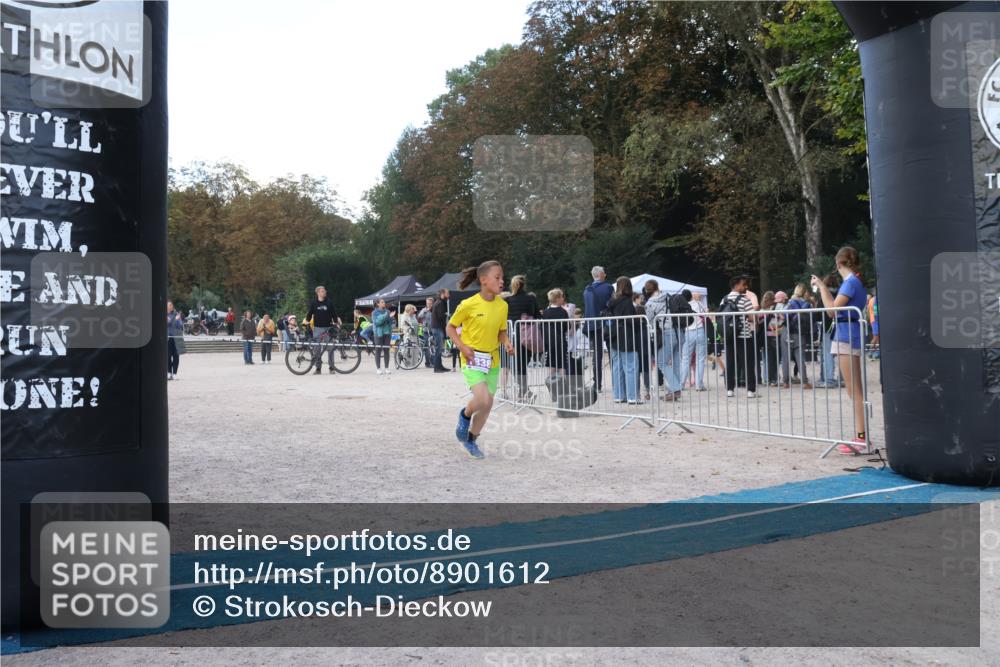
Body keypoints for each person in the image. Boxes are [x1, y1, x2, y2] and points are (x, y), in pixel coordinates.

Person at [447, 260, 515, 459]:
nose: (502, 281)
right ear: (483, 280)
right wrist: (462, 346)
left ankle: (471, 439)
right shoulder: (468, 304)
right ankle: (465, 415)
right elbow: (450, 327)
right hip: (472, 357)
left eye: (503, 278)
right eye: (497, 278)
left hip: (492, 359)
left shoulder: (502, 305)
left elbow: (501, 331)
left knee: (487, 404)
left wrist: (507, 342)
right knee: (482, 398)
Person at [812, 246, 869, 453]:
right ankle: (861, 436)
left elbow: (831, 311)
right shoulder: (856, 282)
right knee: (854, 390)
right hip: (850, 335)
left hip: (847, 337)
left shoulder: (850, 283)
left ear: (838, 264)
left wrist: (822, 287)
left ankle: (861, 438)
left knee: (854, 391)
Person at [719, 276, 757, 398]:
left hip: (728, 335)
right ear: (736, 285)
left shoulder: (723, 300)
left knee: (730, 362)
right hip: (744, 335)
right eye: (744, 285)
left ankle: (730, 389)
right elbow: (751, 318)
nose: (746, 287)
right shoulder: (745, 300)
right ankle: (750, 390)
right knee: (748, 362)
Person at [505, 275, 541, 399]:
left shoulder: (508, 300)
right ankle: (524, 391)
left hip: (515, 335)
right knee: (523, 363)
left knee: (516, 365)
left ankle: (524, 390)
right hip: (529, 335)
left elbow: (506, 317)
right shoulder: (530, 298)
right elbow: (536, 314)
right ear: (524, 285)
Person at [606, 277, 641, 404]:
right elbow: (631, 321)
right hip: (627, 336)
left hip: (614, 335)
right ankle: (632, 396)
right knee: (630, 366)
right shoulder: (627, 302)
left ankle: (619, 395)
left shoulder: (612, 301)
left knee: (617, 366)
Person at [582, 266, 614, 391]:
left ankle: (597, 385)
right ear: (600, 274)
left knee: (597, 355)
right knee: (612, 353)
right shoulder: (608, 287)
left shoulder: (587, 289)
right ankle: (616, 383)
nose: (605, 275)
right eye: (604, 273)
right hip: (606, 324)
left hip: (592, 325)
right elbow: (612, 304)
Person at [306, 285, 342, 374]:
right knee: (317, 349)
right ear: (318, 293)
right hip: (317, 328)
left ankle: (331, 368)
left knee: (330, 348)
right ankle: (318, 368)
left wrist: (337, 322)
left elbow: (334, 313)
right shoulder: (314, 303)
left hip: (328, 328)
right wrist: (307, 321)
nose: (324, 292)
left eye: (325, 291)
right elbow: (310, 313)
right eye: (322, 291)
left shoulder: (329, 302)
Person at [784, 284, 813, 388]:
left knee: (786, 358)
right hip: (800, 332)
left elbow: (784, 316)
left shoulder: (789, 302)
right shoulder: (806, 303)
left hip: (787, 331)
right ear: (804, 292)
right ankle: (804, 382)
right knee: (800, 358)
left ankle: (786, 382)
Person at [682, 290, 708, 391]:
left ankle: (681, 384)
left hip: (687, 332)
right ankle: (699, 384)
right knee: (700, 359)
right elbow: (705, 314)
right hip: (699, 330)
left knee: (685, 359)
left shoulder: (683, 306)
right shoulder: (699, 304)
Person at [542, 288, 569, 377]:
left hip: (549, 341)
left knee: (551, 363)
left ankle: (551, 385)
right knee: (562, 363)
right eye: (562, 297)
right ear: (557, 299)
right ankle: (563, 385)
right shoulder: (563, 312)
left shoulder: (546, 312)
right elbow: (567, 326)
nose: (563, 299)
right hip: (560, 340)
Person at [371, 298, 394, 377]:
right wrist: (386, 316)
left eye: (384, 302)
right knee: (378, 350)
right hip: (378, 333)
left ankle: (387, 368)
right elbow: (377, 323)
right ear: (378, 304)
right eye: (382, 302)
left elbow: (390, 322)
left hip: (387, 333)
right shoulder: (374, 312)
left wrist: (390, 318)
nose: (384, 303)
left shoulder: (387, 311)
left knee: (386, 350)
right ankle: (378, 368)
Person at [431, 288, 450, 373]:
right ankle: (437, 368)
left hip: (437, 327)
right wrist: (446, 314)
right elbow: (440, 316)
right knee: (438, 348)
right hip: (437, 328)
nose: (448, 294)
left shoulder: (439, 302)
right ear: (443, 294)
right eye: (447, 293)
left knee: (439, 348)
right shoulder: (440, 303)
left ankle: (440, 366)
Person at [166, 300, 184, 380]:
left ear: (172, 306)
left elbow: (179, 325)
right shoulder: (164, 315)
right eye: (167, 305)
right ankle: (169, 372)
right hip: (168, 338)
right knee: (168, 356)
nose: (168, 306)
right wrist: (173, 321)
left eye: (170, 305)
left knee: (176, 356)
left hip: (177, 337)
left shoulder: (177, 315)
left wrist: (175, 320)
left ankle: (175, 373)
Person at [418, 297, 435, 368]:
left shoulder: (434, 309)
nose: (429, 305)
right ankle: (427, 363)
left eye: (430, 303)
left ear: (432, 303)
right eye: (428, 303)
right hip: (426, 331)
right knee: (427, 347)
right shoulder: (424, 310)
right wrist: (426, 311)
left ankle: (433, 362)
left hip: (433, 331)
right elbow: (419, 316)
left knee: (433, 347)